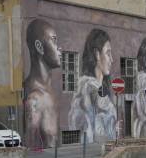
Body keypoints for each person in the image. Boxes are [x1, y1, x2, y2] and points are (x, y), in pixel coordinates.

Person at [68, 29, 117, 143]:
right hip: (95, 153)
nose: (112, 59)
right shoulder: (88, 86)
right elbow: (87, 133)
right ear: (97, 54)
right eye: (108, 53)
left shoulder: (98, 87)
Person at [24, 19, 61, 148]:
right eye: (54, 40)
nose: (59, 48)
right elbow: (31, 149)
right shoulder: (34, 97)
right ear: (39, 47)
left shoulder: (49, 91)